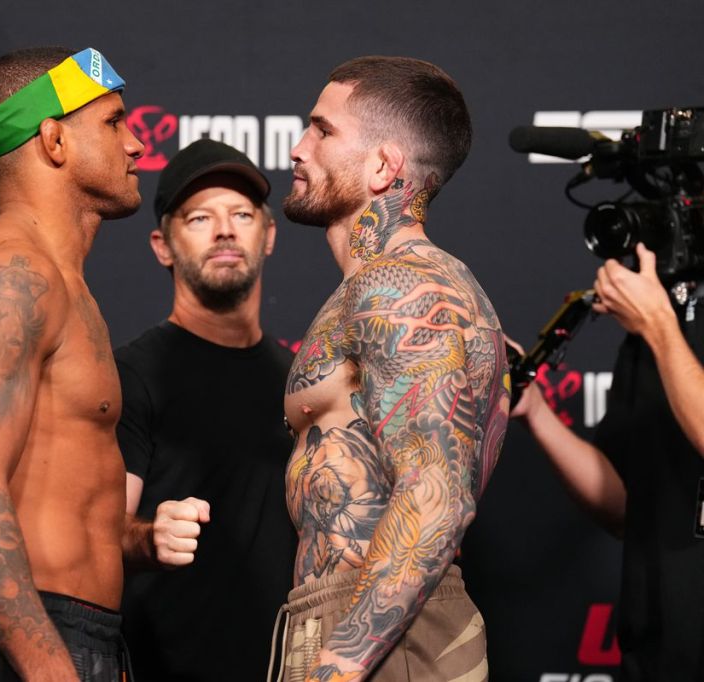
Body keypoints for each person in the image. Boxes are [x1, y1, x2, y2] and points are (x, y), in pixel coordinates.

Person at [275, 56, 511, 681]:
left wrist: (336, 668)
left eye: (322, 130)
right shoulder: (388, 286)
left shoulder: (402, 288)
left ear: (383, 166)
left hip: (384, 636)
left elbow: (437, 498)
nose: (298, 149)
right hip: (369, 625)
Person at [0, 47, 144, 681]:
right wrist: (50, 672)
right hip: (19, 648)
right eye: (114, 122)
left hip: (72, 636)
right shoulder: (9, 273)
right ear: (54, 140)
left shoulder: (62, 281)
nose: (136, 145)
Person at [116, 139, 297, 680]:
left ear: (268, 235)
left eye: (241, 214)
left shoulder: (303, 383)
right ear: (162, 246)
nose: (224, 231)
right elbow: (99, 532)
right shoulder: (131, 374)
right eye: (200, 218)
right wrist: (150, 537)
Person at [511, 242, 704, 680]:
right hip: (658, 654)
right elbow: (622, 509)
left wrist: (658, 325)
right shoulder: (657, 329)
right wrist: (536, 411)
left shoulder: (658, 326)